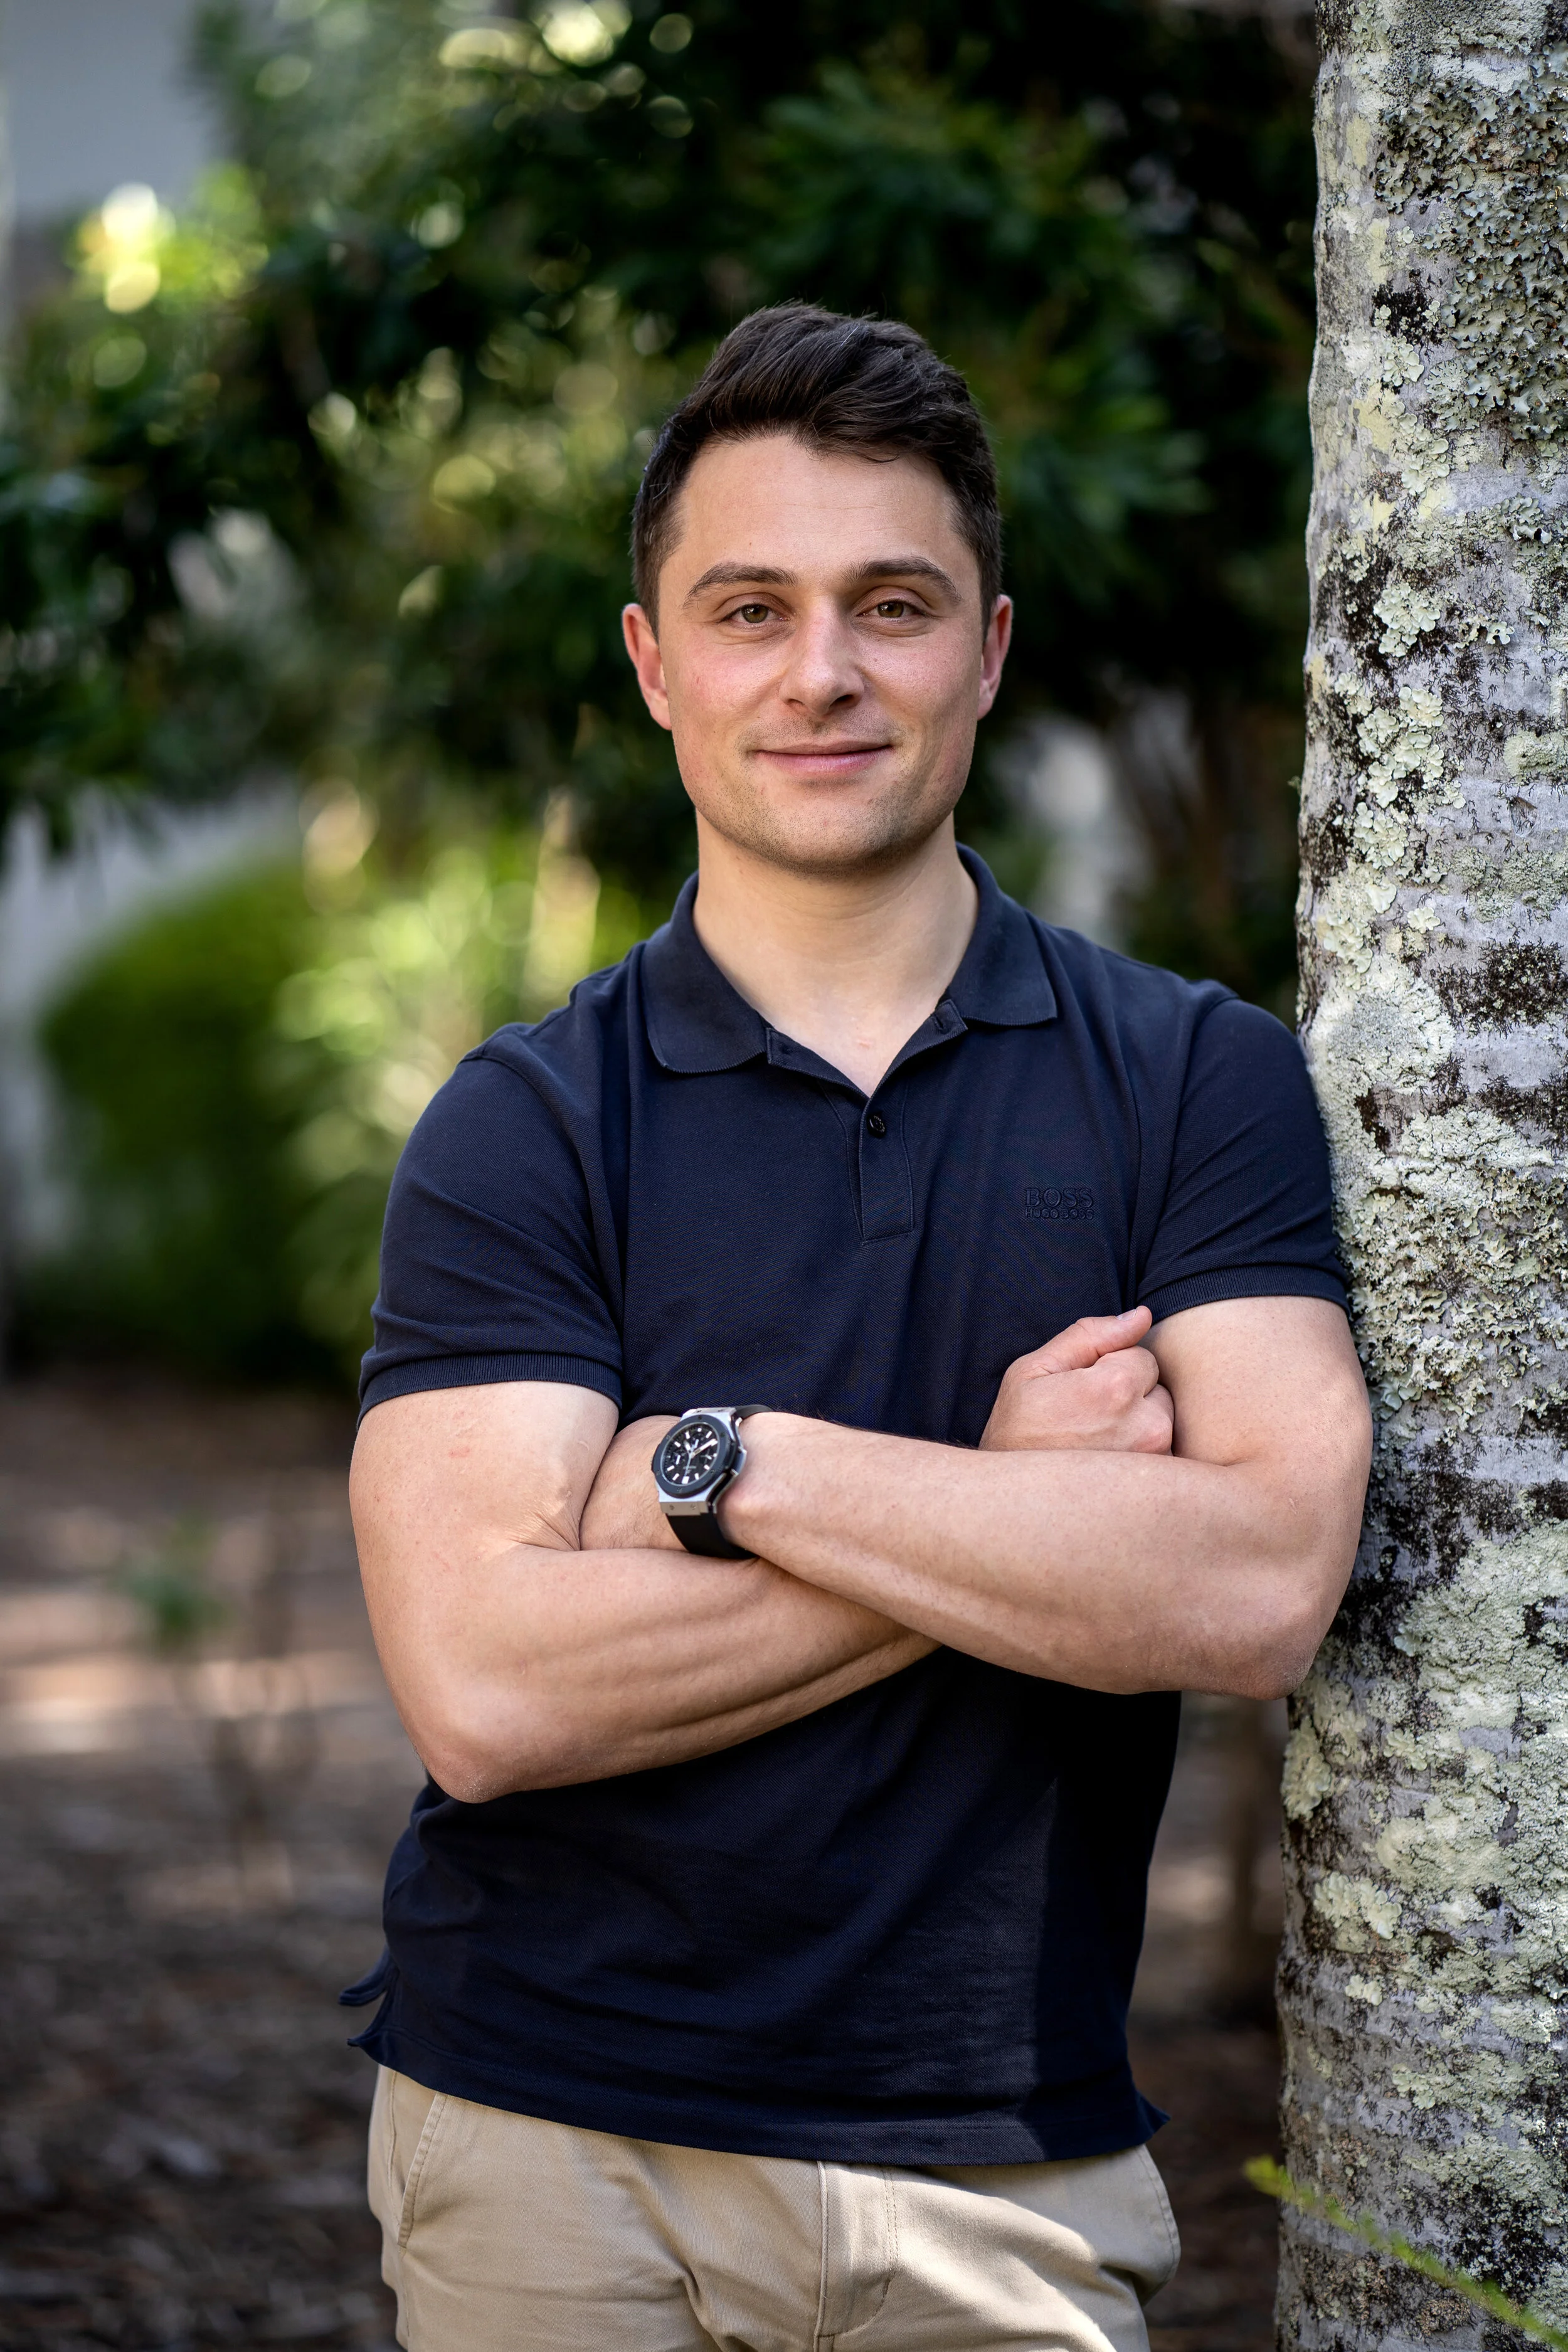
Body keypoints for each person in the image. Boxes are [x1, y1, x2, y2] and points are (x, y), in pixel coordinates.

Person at [345, 304, 1371, 2352]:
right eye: (748, 608)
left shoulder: (1193, 1080)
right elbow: (486, 1688)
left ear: (984, 650)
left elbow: (1258, 1579)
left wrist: (733, 1470)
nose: (819, 670)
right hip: (551, 2142)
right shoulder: (527, 1123)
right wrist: (1012, 1518)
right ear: (655, 666)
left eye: (889, 604)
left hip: (998, 2163)